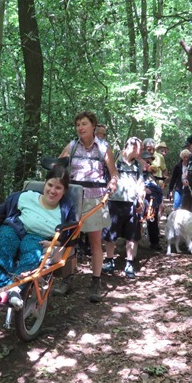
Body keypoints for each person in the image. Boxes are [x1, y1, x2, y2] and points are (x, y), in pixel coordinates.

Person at [53, 111, 117, 303]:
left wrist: (112, 185)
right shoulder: (71, 146)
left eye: (84, 124)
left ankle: (96, 281)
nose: (80, 127)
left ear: (93, 126)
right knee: (68, 240)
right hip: (73, 199)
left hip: (95, 200)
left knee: (95, 241)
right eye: (78, 124)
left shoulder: (104, 148)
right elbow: (58, 168)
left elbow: (113, 174)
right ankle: (66, 278)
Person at [0, 165, 76, 303]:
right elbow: (1, 211)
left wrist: (56, 243)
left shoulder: (65, 209)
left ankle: (15, 288)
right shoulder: (27, 197)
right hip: (16, 228)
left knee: (32, 251)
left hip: (37, 237)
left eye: (58, 188)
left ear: (64, 191)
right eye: (50, 185)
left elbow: (72, 233)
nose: (52, 191)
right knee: (6, 237)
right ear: (44, 183)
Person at [101, 137, 145, 279]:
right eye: (140, 148)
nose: (142, 152)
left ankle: (129, 263)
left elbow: (140, 182)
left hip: (131, 204)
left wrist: (141, 198)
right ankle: (109, 260)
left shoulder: (137, 166)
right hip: (114, 202)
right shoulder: (114, 160)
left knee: (132, 235)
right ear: (132, 146)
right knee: (110, 233)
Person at [139, 150, 164, 252]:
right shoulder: (135, 171)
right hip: (137, 199)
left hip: (151, 200)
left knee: (152, 217)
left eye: (149, 162)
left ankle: (154, 242)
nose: (148, 164)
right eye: (146, 161)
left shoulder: (150, 174)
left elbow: (155, 188)